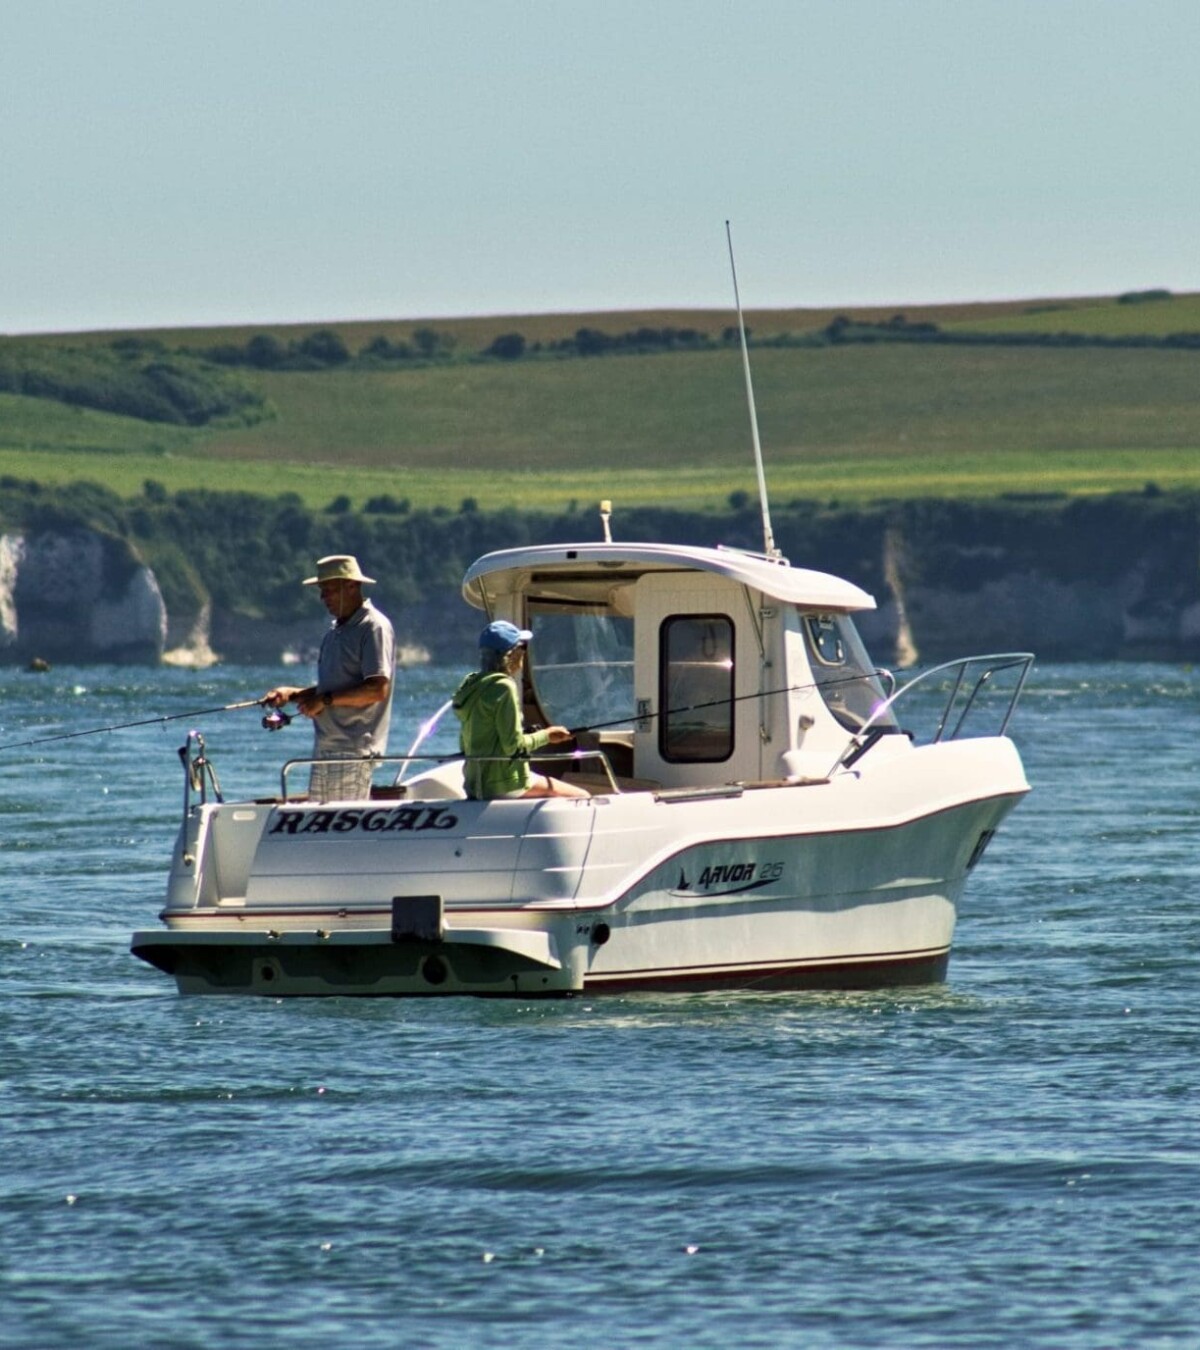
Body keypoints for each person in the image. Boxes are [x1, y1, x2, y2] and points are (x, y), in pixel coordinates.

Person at [264, 554, 395, 802]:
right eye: (322, 591)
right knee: (322, 827)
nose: (323, 597)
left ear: (352, 586)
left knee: (343, 831)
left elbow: (376, 689)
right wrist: (292, 694)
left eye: (329, 590)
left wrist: (323, 700)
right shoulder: (336, 630)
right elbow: (336, 687)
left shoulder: (373, 626)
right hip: (327, 747)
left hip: (352, 749)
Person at [453, 620, 589, 800]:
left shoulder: (471, 686)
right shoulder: (503, 687)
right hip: (504, 784)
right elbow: (513, 747)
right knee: (583, 796)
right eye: (522, 648)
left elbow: (465, 744)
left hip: (475, 786)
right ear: (511, 654)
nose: (524, 653)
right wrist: (547, 735)